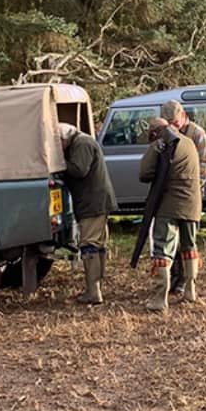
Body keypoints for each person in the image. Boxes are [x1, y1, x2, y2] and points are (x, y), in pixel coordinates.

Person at [139, 118, 202, 311]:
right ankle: (190, 291)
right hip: (192, 204)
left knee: (162, 250)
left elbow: (144, 173)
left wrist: (154, 148)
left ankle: (159, 299)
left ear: (155, 133)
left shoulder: (163, 144)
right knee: (189, 247)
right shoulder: (188, 142)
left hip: (169, 205)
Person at [59, 123, 117, 304]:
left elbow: (79, 170)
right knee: (98, 245)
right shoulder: (83, 141)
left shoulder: (82, 144)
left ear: (64, 138)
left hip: (92, 203)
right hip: (96, 201)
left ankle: (93, 292)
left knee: (89, 245)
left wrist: (59, 164)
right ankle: (96, 287)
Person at [161, 99, 206, 294]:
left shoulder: (197, 134)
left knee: (188, 241)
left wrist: (192, 190)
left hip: (190, 196)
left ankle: (188, 282)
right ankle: (174, 277)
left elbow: (204, 167)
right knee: (169, 241)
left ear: (183, 115)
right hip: (170, 197)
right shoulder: (165, 134)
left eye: (175, 122)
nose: (172, 127)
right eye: (168, 123)